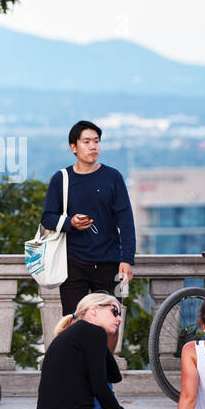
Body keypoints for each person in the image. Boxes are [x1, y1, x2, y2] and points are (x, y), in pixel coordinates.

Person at [36, 292, 168, 409]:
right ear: (94, 310)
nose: (119, 319)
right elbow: (100, 387)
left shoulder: (74, 333)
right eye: (114, 312)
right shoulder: (94, 332)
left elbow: (114, 376)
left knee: (108, 386)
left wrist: (104, 343)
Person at [40, 120, 136, 317]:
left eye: (97, 141)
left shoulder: (113, 177)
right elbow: (47, 218)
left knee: (111, 321)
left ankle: (106, 351)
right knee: (73, 322)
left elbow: (126, 221)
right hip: (73, 265)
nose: (93, 146)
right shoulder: (62, 179)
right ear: (73, 147)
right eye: (86, 142)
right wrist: (70, 223)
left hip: (110, 264)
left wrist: (127, 259)